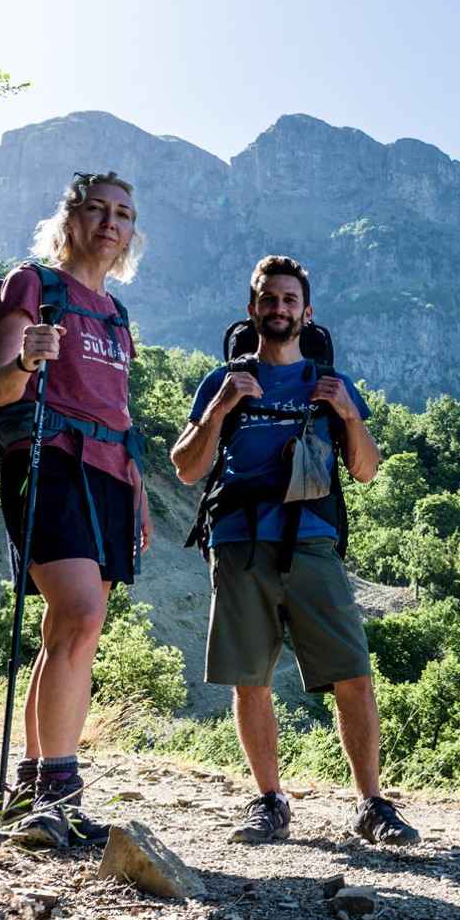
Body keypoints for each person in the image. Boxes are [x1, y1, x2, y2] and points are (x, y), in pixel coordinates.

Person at [170, 255, 420, 847]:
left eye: (289, 300)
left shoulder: (331, 385)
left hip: (312, 541)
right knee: (249, 680)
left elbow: (364, 471)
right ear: (252, 309)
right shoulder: (221, 381)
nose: (278, 308)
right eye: (268, 298)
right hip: (237, 543)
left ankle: (371, 804)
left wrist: (349, 414)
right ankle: (268, 800)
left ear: (306, 313)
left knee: (353, 673)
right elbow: (185, 468)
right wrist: (219, 408)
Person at [0, 171, 152, 849]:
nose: (111, 223)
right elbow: (0, 391)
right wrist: (25, 358)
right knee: (81, 616)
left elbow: (120, 411)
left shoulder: (116, 316)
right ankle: (60, 788)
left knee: (70, 631)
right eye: (98, 209)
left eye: (123, 214)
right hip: (48, 459)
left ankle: (35, 788)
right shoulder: (35, 285)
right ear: (71, 217)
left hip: (111, 475)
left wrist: (138, 491)